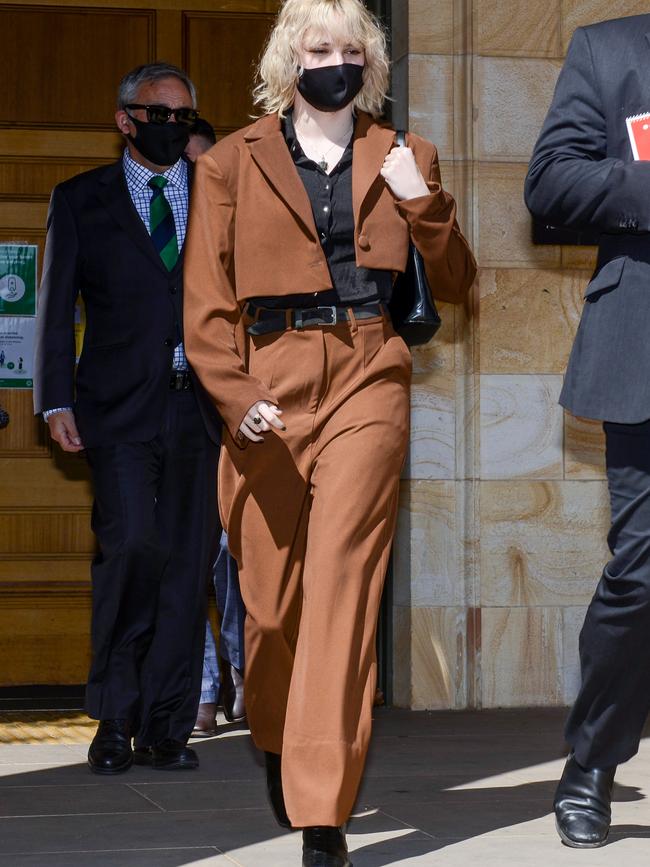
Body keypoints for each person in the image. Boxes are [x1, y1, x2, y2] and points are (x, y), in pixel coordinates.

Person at [184, 0, 476, 863]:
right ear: (290, 59)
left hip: (368, 372)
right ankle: (275, 729)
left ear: (372, 64)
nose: (337, 62)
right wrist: (238, 396)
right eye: (321, 48)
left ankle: (323, 812)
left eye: (353, 49)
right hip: (267, 381)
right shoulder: (232, 162)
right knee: (273, 608)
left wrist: (424, 207)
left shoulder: (404, 155)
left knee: (343, 590)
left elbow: (459, 281)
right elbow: (204, 304)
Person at [34, 62, 221, 775]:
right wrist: (54, 399)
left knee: (186, 566)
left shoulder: (217, 193)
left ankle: (167, 726)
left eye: (183, 116)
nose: (171, 126)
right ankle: (114, 717)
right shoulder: (82, 199)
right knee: (131, 548)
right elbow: (55, 308)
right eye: (158, 114)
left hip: (200, 409)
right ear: (125, 119)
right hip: (115, 411)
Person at [525, 12, 650, 850]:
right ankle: (593, 759)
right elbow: (551, 182)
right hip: (643, 350)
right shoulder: (611, 49)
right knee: (644, 571)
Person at [182, 118, 247, 738]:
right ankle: (201, 687)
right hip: (171, 414)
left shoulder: (248, 222)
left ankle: (249, 678)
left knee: (237, 561)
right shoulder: (161, 228)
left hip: (238, 415)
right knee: (183, 560)